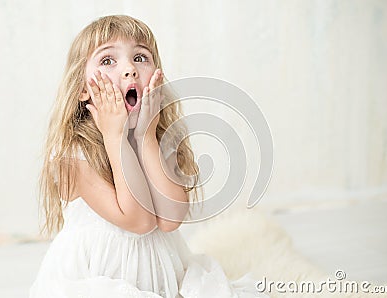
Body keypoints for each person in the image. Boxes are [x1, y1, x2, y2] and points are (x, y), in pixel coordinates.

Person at [29, 15, 267, 298]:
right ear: (82, 89)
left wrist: (145, 138)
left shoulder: (156, 136)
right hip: (97, 277)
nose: (129, 69)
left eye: (141, 57)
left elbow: (170, 219)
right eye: (108, 61)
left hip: (159, 273)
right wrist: (115, 138)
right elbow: (140, 222)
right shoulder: (74, 155)